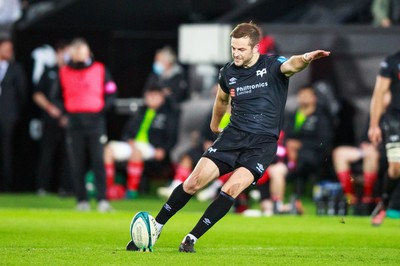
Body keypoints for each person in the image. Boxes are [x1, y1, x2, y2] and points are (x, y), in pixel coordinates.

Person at [127, 22, 330, 252]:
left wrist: (306, 58)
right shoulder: (228, 72)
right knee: (193, 182)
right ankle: (157, 226)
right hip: (232, 137)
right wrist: (215, 125)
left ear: (256, 48)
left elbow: (292, 64)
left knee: (231, 189)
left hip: (261, 144)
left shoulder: (273, 65)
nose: (236, 53)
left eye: (241, 49)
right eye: (233, 48)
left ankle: (191, 238)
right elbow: (222, 100)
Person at [54, 38, 117, 212]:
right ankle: (82, 200)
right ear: (72, 54)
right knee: (77, 163)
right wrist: (65, 110)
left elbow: (111, 92)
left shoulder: (100, 69)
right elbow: (55, 96)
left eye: (83, 51)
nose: (80, 55)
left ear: (88, 53)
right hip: (74, 122)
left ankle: (102, 200)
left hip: (95, 121)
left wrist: (102, 108)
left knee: (98, 161)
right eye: (77, 52)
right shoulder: (64, 72)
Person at [104, 85, 178, 199]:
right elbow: (127, 132)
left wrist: (164, 149)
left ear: (161, 98)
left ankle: (131, 191)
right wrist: (129, 141)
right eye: (149, 95)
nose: (151, 98)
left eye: (155, 96)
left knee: (136, 153)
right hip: (132, 145)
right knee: (108, 149)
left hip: (151, 147)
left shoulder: (168, 114)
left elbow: (172, 136)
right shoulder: (140, 112)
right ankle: (108, 189)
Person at [33, 41, 72, 196]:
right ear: (58, 52)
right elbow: (37, 94)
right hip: (50, 119)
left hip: (68, 119)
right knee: (46, 154)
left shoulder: (73, 73)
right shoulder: (49, 71)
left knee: (68, 155)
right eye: (65, 52)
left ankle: (66, 188)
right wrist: (50, 108)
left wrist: (68, 115)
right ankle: (42, 187)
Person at [284, 85, 334, 202]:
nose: (303, 98)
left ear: (314, 98)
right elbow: (286, 136)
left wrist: (301, 145)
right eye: (301, 95)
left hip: (315, 155)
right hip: (291, 154)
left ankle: (298, 196)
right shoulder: (294, 115)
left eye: (307, 95)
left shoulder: (321, 117)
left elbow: (324, 142)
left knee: (303, 159)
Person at [369, 49, 400, 226]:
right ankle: (384, 204)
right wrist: (374, 125)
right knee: (395, 168)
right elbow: (379, 92)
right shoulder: (392, 61)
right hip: (395, 119)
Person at [0, 37, 27, 191]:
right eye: (5, 48)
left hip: (7, 116)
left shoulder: (16, 68)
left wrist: (14, 113)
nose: (8, 52)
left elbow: (22, 94)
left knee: (6, 150)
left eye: (10, 49)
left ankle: (6, 185)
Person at [143, 46, 189, 111]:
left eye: (158, 60)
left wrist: (162, 95)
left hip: (172, 112)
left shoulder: (180, 76)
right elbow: (146, 91)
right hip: (153, 110)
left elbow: (179, 96)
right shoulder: (154, 76)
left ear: (168, 62)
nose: (156, 63)